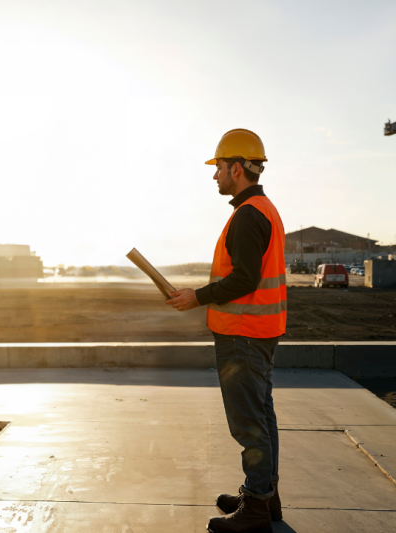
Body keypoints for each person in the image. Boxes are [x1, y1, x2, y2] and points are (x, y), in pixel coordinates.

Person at [165, 129, 286, 533]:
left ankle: (255, 508)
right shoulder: (262, 209)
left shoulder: (249, 215)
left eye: (218, 168)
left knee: (249, 423)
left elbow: (246, 279)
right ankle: (264, 495)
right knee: (262, 416)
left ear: (237, 168)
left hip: (243, 335)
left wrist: (196, 296)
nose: (214, 176)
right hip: (259, 332)